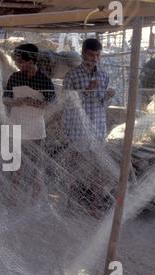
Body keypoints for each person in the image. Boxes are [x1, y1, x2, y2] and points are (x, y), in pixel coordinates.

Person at [62, 38, 116, 217]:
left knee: (97, 170)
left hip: (98, 128)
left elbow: (102, 105)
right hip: (78, 130)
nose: (95, 59)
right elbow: (66, 104)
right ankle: (67, 205)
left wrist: (108, 96)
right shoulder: (72, 76)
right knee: (73, 169)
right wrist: (86, 91)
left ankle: (94, 206)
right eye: (92, 55)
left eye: (98, 55)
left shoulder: (104, 75)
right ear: (84, 53)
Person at [3, 43, 55, 200]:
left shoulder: (44, 80)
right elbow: (5, 99)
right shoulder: (15, 77)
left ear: (33, 60)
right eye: (18, 62)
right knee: (15, 163)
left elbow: (51, 102)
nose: (20, 65)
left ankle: (34, 199)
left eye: (23, 62)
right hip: (17, 125)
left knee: (36, 164)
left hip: (35, 128)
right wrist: (15, 102)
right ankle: (12, 196)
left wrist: (37, 103)